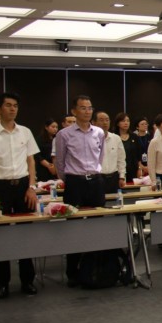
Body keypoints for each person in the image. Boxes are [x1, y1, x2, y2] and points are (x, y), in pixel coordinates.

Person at [0, 92, 40, 298]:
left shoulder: (25, 132)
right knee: (0, 236)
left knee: (25, 235)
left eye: (15, 106)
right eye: (8, 105)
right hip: (0, 187)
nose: (13, 109)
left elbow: (31, 161)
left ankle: (27, 280)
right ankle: (2, 283)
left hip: (22, 186)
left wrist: (31, 187)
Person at [54, 94, 107, 285]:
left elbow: (100, 157)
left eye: (90, 108)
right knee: (73, 228)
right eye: (83, 108)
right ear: (74, 111)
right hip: (75, 183)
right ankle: (72, 272)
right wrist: (69, 179)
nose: (87, 111)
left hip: (95, 182)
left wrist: (94, 173)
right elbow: (60, 162)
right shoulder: (64, 134)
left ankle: (94, 268)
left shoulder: (99, 132)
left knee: (97, 226)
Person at [93, 110, 126, 195]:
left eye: (107, 120)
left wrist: (122, 177)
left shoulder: (116, 138)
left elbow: (121, 160)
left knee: (115, 201)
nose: (105, 123)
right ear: (93, 122)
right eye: (101, 120)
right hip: (97, 178)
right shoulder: (90, 139)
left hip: (114, 178)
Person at [114, 112, 143, 184]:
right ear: (118, 123)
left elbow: (138, 155)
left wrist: (139, 169)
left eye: (128, 121)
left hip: (133, 169)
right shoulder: (114, 137)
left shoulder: (134, 137)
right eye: (123, 121)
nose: (126, 123)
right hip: (118, 170)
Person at [33, 118, 58, 183]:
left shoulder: (57, 138)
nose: (55, 129)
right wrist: (48, 165)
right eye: (53, 127)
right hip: (43, 167)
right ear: (46, 127)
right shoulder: (39, 139)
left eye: (56, 127)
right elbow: (37, 155)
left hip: (56, 167)